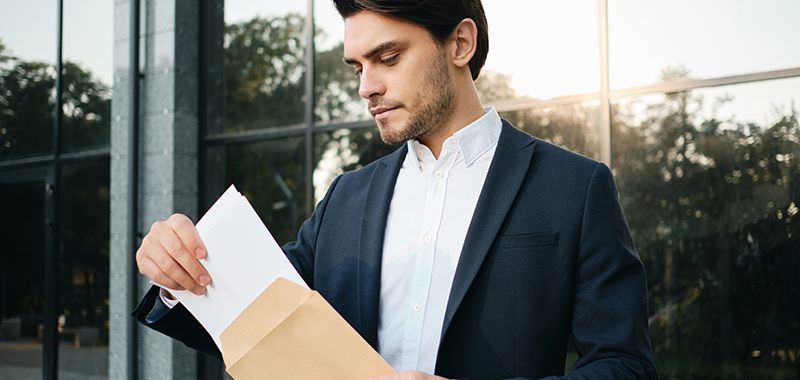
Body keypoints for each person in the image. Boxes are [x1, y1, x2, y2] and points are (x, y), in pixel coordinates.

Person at [132, 0, 659, 379]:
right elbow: (258, 314)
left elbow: (626, 365)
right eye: (358, 67)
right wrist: (180, 268)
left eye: (387, 58)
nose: (367, 87)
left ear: (460, 43)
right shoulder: (345, 198)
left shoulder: (574, 188)